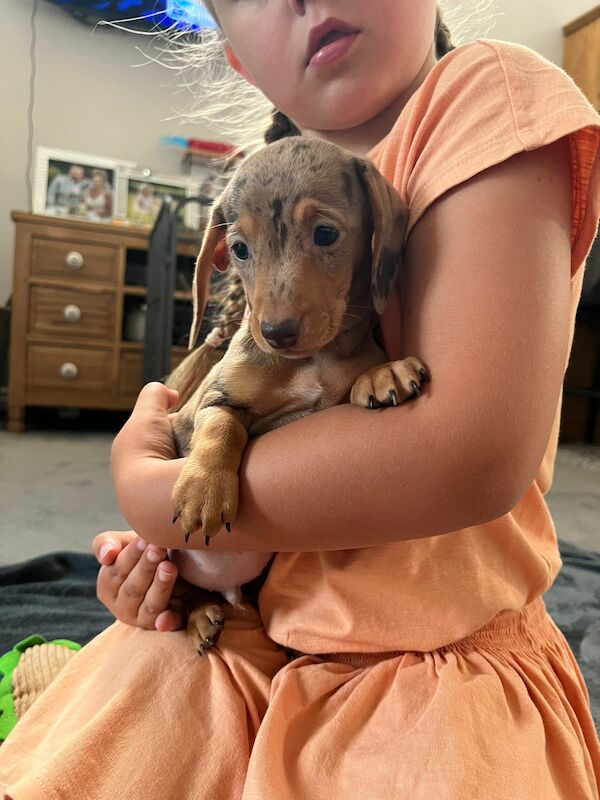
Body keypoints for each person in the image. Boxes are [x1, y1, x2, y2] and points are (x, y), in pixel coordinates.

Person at [2, 2, 600, 798]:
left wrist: (148, 493)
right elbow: (211, 417)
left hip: (423, 663)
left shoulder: (489, 94)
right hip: (241, 632)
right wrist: (160, 563)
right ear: (238, 59)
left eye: (326, 238)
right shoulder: (262, 185)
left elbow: (469, 455)